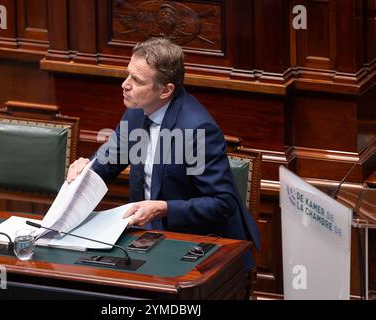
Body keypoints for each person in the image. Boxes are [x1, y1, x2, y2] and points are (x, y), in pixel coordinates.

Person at [66, 37, 260, 270]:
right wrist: (86, 169)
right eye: (128, 74)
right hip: (145, 236)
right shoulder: (137, 112)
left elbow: (221, 204)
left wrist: (163, 207)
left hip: (198, 243)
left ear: (166, 90)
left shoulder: (195, 130)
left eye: (137, 80)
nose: (124, 85)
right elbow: (109, 160)